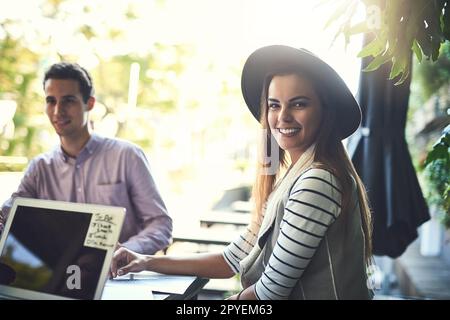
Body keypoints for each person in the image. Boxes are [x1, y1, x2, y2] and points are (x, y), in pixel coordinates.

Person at [110, 45, 373, 300]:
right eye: (273, 105)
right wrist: (145, 261)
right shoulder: (294, 177)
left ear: (324, 112)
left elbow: (269, 293)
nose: (282, 117)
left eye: (299, 104)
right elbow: (230, 260)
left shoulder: (316, 181)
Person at [0, 62, 172, 255]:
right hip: (57, 280)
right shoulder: (40, 168)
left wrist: (125, 253)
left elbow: (160, 224)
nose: (57, 111)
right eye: (51, 101)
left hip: (120, 277)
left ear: (89, 103)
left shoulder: (127, 156)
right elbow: (8, 215)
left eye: (68, 100)